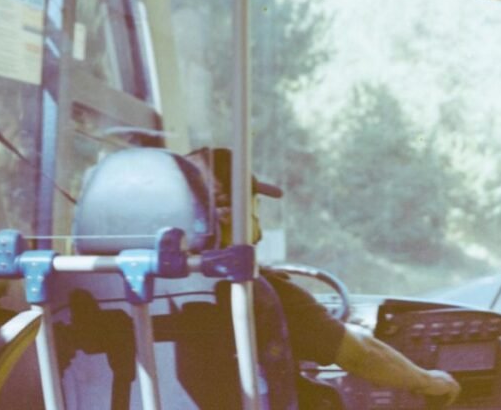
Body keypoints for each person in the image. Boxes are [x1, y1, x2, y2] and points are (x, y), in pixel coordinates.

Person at [184, 147, 461, 406]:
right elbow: (362, 356)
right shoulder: (253, 291)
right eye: (254, 205)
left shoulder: (165, 288)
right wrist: (429, 381)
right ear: (229, 213)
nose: (258, 217)